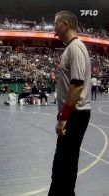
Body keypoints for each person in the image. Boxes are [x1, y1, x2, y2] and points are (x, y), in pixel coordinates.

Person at [49, 11, 91, 196]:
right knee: (64, 163)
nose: (54, 29)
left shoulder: (76, 48)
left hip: (75, 114)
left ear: (65, 24)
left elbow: (77, 85)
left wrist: (63, 118)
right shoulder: (71, 48)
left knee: (64, 164)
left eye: (55, 24)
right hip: (72, 113)